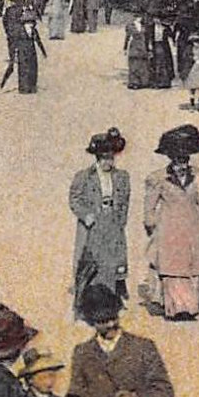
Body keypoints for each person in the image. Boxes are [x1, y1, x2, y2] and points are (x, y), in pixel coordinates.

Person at [144, 124, 199, 321]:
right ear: (170, 159)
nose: (182, 165)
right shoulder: (157, 178)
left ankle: (190, 305)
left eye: (185, 160)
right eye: (178, 160)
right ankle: (175, 308)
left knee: (194, 265)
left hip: (192, 226)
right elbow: (149, 207)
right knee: (173, 267)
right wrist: (151, 226)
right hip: (169, 227)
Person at [70, 129, 132, 316]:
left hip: (112, 221)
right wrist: (86, 215)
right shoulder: (84, 176)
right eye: (104, 158)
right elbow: (74, 198)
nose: (108, 162)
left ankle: (111, 302)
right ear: (97, 158)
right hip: (93, 223)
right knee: (91, 263)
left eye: (111, 158)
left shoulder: (122, 177)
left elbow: (125, 199)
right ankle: (86, 303)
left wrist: (121, 219)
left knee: (112, 261)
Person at [124, 15, 153, 90]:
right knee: (134, 64)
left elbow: (148, 37)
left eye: (140, 17)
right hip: (134, 45)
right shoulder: (130, 26)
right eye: (137, 17)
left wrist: (149, 46)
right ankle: (134, 82)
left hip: (143, 45)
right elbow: (127, 37)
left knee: (143, 64)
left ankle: (143, 82)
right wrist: (125, 48)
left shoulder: (144, 26)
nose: (139, 18)